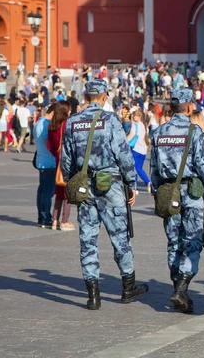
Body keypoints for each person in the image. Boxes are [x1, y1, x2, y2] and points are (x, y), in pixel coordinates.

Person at [61, 80, 148, 310]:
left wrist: (74, 182)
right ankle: (128, 286)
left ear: (87, 97)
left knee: (87, 240)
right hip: (110, 185)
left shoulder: (72, 122)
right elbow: (124, 155)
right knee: (120, 236)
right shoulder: (110, 121)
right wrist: (132, 183)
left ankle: (93, 295)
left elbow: (66, 160)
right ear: (104, 96)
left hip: (84, 186)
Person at [150, 88, 204, 313]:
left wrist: (157, 192)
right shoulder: (194, 131)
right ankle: (182, 287)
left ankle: (177, 287)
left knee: (173, 241)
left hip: (168, 191)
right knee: (193, 240)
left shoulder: (158, 132)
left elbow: (154, 170)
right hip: (192, 193)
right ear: (189, 106)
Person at [47, 100, 75, 231]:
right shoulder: (66, 125)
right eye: (69, 110)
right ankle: (65, 221)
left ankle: (54, 220)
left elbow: (50, 146)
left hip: (57, 161)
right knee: (67, 193)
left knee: (59, 193)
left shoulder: (52, 126)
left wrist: (57, 155)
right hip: (67, 162)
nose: (70, 112)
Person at [34, 105, 57, 229]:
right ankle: (45, 217)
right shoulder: (46, 124)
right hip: (49, 161)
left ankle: (41, 217)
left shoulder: (38, 123)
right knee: (48, 191)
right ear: (53, 113)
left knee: (42, 190)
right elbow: (47, 142)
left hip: (41, 160)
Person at [127, 110, 152, 194]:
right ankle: (139, 185)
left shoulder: (136, 126)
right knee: (139, 168)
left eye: (135, 116)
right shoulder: (144, 126)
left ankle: (146, 182)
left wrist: (125, 142)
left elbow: (131, 136)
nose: (133, 117)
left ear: (139, 117)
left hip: (136, 149)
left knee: (135, 169)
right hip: (143, 150)